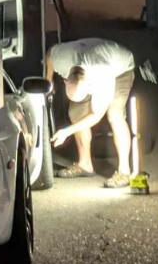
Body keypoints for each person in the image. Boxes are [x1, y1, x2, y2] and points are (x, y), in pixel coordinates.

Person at [45, 38, 136, 188]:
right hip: (89, 59)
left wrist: (66, 132)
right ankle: (85, 165)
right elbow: (49, 54)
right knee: (76, 112)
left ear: (89, 86)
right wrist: (48, 80)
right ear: (66, 80)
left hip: (120, 69)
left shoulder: (103, 74)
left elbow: (96, 115)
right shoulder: (61, 59)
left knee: (115, 114)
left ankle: (124, 172)